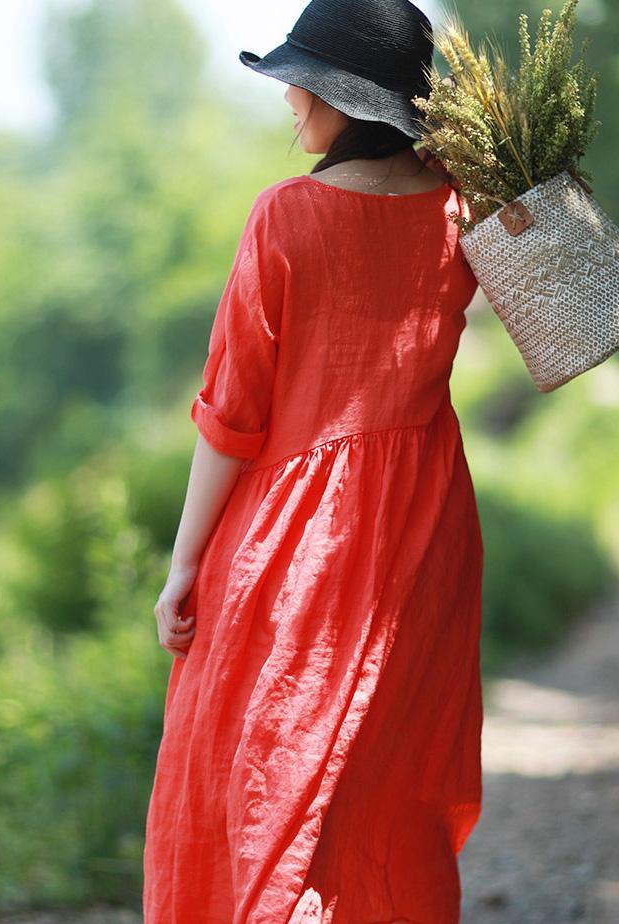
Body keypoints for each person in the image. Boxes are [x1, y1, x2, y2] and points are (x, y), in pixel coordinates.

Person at [143, 0, 482, 921]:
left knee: (267, 770)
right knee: (383, 770)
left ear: (350, 100)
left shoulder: (284, 217)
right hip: (426, 532)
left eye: (305, 81)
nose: (290, 97)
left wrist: (184, 564)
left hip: (299, 542)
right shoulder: (463, 210)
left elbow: (231, 415)